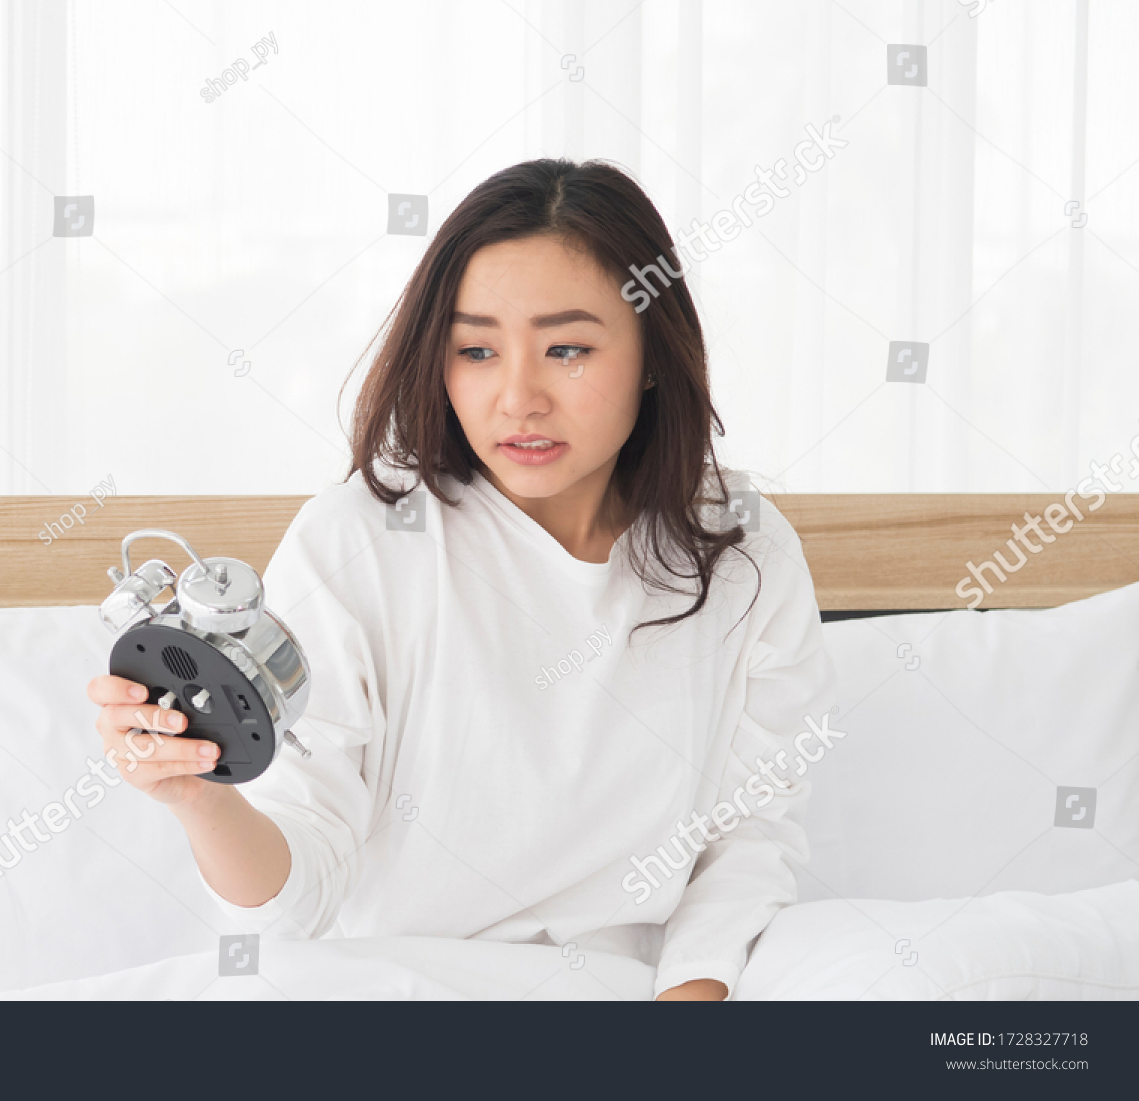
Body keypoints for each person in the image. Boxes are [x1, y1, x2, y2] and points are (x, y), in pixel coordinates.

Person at [87, 157, 836, 1000]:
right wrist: (201, 798)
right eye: (475, 349)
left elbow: (750, 839)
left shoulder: (742, 550)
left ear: (652, 355)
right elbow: (297, 896)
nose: (518, 397)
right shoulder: (358, 541)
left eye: (568, 349)